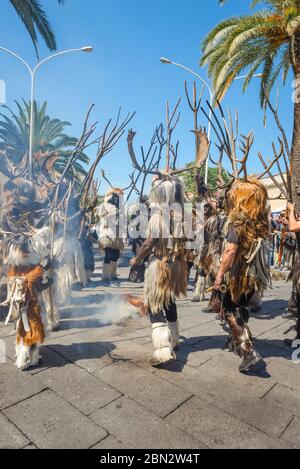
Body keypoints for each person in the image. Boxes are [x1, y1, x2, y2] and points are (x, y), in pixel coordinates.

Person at [213, 178, 271, 372]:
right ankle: (238, 338)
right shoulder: (261, 221)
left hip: (239, 276)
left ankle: (247, 351)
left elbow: (230, 250)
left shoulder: (238, 221)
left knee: (229, 308)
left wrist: (219, 275)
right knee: (241, 305)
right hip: (253, 277)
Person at [129, 174, 187, 367]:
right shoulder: (183, 215)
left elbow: (149, 243)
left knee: (154, 305)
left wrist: (136, 258)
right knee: (169, 301)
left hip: (161, 266)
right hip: (177, 265)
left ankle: (163, 351)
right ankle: (174, 340)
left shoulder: (159, 216)